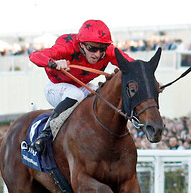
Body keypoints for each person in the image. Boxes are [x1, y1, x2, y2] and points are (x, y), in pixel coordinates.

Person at [28, 20, 134, 155]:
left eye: (102, 49)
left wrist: (151, 82)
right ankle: (44, 136)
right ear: (81, 45)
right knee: (76, 94)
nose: (97, 54)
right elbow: (34, 56)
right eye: (92, 48)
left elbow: (132, 64)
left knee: (104, 95)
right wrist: (53, 63)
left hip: (80, 85)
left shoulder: (109, 51)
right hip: (55, 86)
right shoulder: (67, 46)